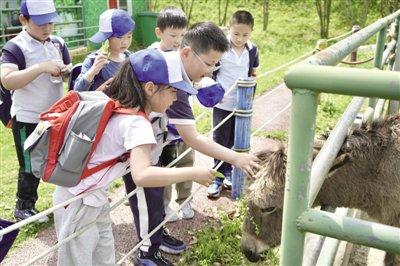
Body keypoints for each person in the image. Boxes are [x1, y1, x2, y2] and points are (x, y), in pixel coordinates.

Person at [53, 49, 214, 265]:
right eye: (173, 91)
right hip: (78, 201)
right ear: (150, 88)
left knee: (104, 256)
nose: (176, 97)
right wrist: (194, 173)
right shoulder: (138, 124)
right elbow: (142, 175)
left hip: (88, 196)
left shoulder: (120, 106)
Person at [123, 21, 260, 265]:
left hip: (148, 146)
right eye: (208, 63)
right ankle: (146, 253)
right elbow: (193, 137)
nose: (210, 71)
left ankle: (155, 235)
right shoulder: (171, 83)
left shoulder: (172, 72)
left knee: (154, 198)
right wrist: (236, 157)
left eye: (215, 64)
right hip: (131, 152)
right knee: (145, 198)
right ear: (186, 53)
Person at [0, 0, 71, 221]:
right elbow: (7, 80)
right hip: (27, 117)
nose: (47, 28)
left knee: (60, 158)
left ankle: (67, 198)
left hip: (56, 116)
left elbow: (68, 73)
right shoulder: (15, 47)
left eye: (50, 23)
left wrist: (66, 71)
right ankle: (23, 206)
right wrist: (40, 68)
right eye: (41, 24)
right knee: (30, 164)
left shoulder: (58, 43)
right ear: (23, 20)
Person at [147, 6, 194, 222]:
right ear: (159, 32)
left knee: (186, 159)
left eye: (182, 35)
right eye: (173, 35)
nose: (178, 40)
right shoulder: (151, 56)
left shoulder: (184, 55)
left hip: (182, 122)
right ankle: (164, 206)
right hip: (160, 125)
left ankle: (185, 200)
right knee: (164, 165)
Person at [208, 10, 259, 198]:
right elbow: (210, 71)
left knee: (234, 140)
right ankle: (217, 177)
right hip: (222, 102)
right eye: (236, 33)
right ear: (229, 28)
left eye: (245, 34)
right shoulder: (221, 47)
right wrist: (214, 92)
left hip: (242, 105)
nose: (240, 38)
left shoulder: (252, 49)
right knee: (220, 140)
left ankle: (229, 173)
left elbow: (253, 74)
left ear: (251, 32)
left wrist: (250, 97)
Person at [73, 9, 134, 91]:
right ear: (106, 38)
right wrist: (93, 71)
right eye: (119, 37)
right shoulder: (93, 61)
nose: (125, 42)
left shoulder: (131, 58)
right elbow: (77, 91)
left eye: (129, 36)